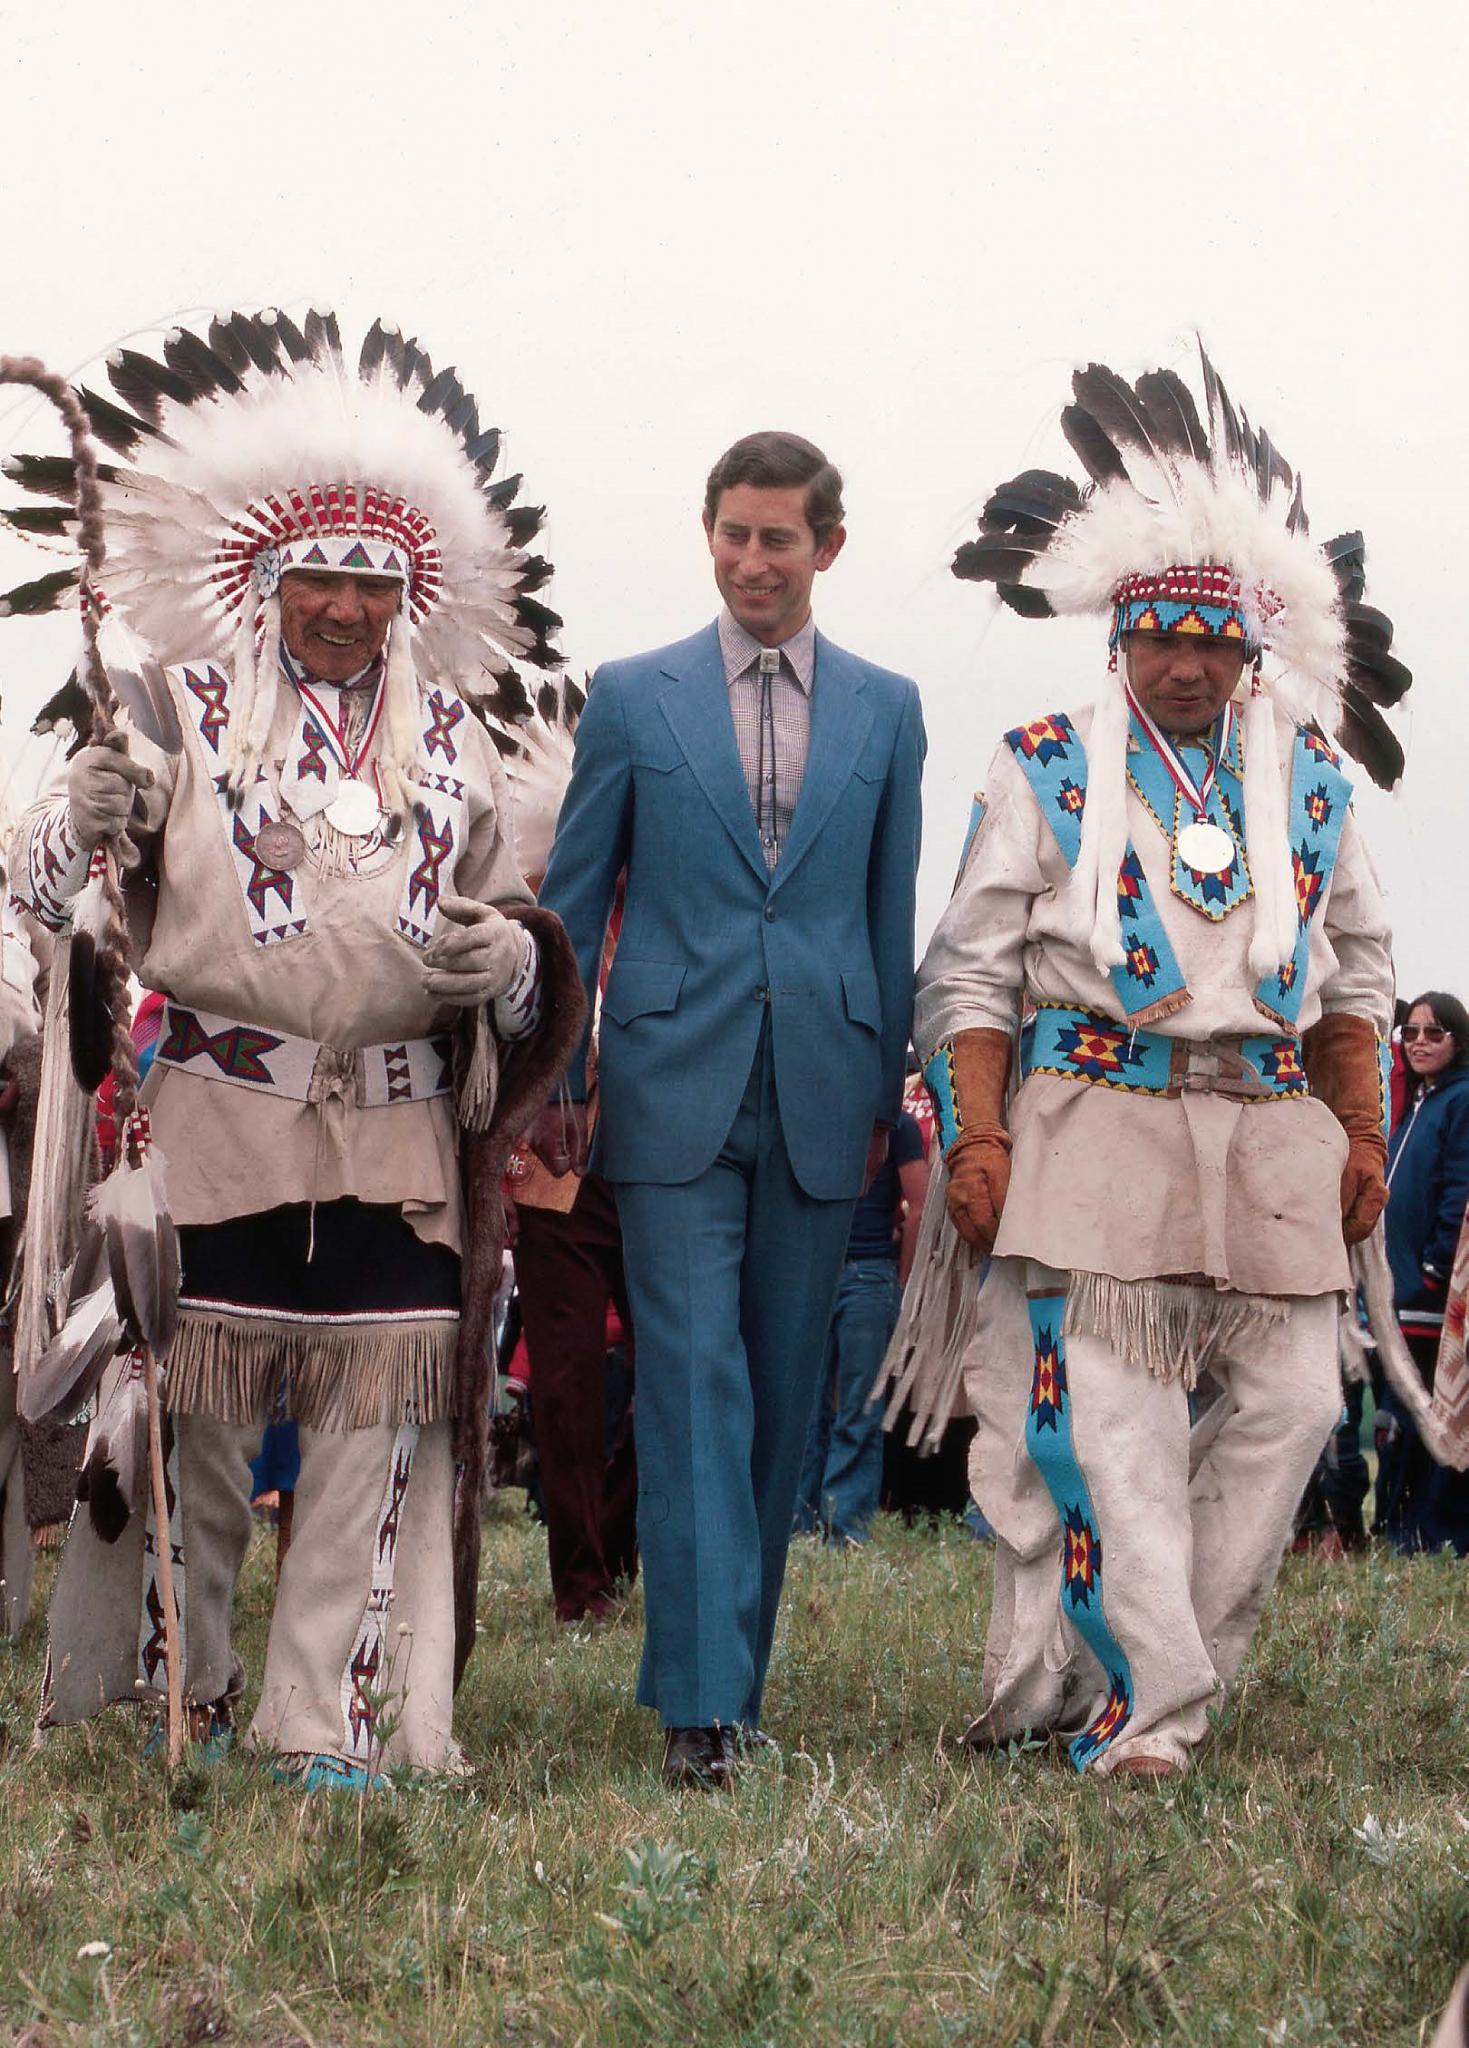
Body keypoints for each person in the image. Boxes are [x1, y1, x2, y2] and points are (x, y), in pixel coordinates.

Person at [4, 309, 583, 1786]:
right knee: (193, 1430)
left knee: (370, 1434)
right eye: (319, 576)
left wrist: (512, 962)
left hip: (394, 1135)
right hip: (215, 1118)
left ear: (408, 592)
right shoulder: (170, 712)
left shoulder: (454, 741)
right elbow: (47, 890)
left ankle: (322, 1719)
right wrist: (82, 816)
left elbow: (515, 933)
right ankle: (186, 1692)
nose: (343, 605)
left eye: (371, 581)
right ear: (265, 579)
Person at [898, 347, 1401, 1778]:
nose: (1184, 663)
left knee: (1297, 1404)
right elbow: (970, 970)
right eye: (1158, 636)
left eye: (1210, 640)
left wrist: (1361, 1125)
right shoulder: (1046, 765)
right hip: (1093, 1117)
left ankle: (1160, 1659)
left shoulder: (1311, 782)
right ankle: (1151, 1708)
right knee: (1108, 1427)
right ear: (1117, 637)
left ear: (1250, 649)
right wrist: (978, 1134)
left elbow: (1356, 972)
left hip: (1268, 1124)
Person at [535, 431, 925, 1784]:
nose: (753, 561)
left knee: (776, 1388)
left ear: (827, 545)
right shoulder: (631, 698)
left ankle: (724, 1682)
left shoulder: (888, 708)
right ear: (707, 533)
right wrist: (557, 1076)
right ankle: (699, 1712)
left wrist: (883, 1095)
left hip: (824, 1088)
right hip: (664, 1084)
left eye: (779, 538)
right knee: (694, 1379)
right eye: (733, 534)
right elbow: (571, 898)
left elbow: (886, 912)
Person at [796, 1105, 929, 1542]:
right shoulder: (896, 1122)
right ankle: (842, 1529)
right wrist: (901, 1281)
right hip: (865, 1273)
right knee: (854, 1409)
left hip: (835, 1272)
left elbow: (920, 1206)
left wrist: (901, 1282)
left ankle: (803, 1526)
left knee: (811, 1409)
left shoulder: (822, 1114)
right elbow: (919, 1206)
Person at [1377, 991, 1469, 1553]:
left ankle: (1430, 1535)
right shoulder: (1415, 1103)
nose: (1419, 1043)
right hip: (1396, 1292)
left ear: (1459, 1040)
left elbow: (1460, 1188)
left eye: (1434, 1033)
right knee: (1397, 1422)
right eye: (1410, 1032)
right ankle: (1395, 1529)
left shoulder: (1461, 1100)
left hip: (1432, 1296)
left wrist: (1434, 1268)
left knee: (1428, 1421)